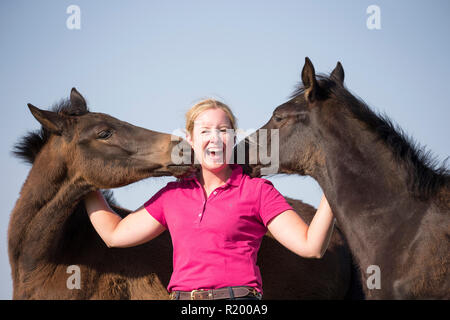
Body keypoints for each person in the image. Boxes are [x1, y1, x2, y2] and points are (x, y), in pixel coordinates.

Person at [84, 99, 336, 300]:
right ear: (190, 139)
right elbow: (113, 234)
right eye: (205, 131)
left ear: (233, 138)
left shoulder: (257, 190)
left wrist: (334, 185)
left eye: (223, 130)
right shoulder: (173, 195)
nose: (215, 138)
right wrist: (84, 180)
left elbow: (311, 246)